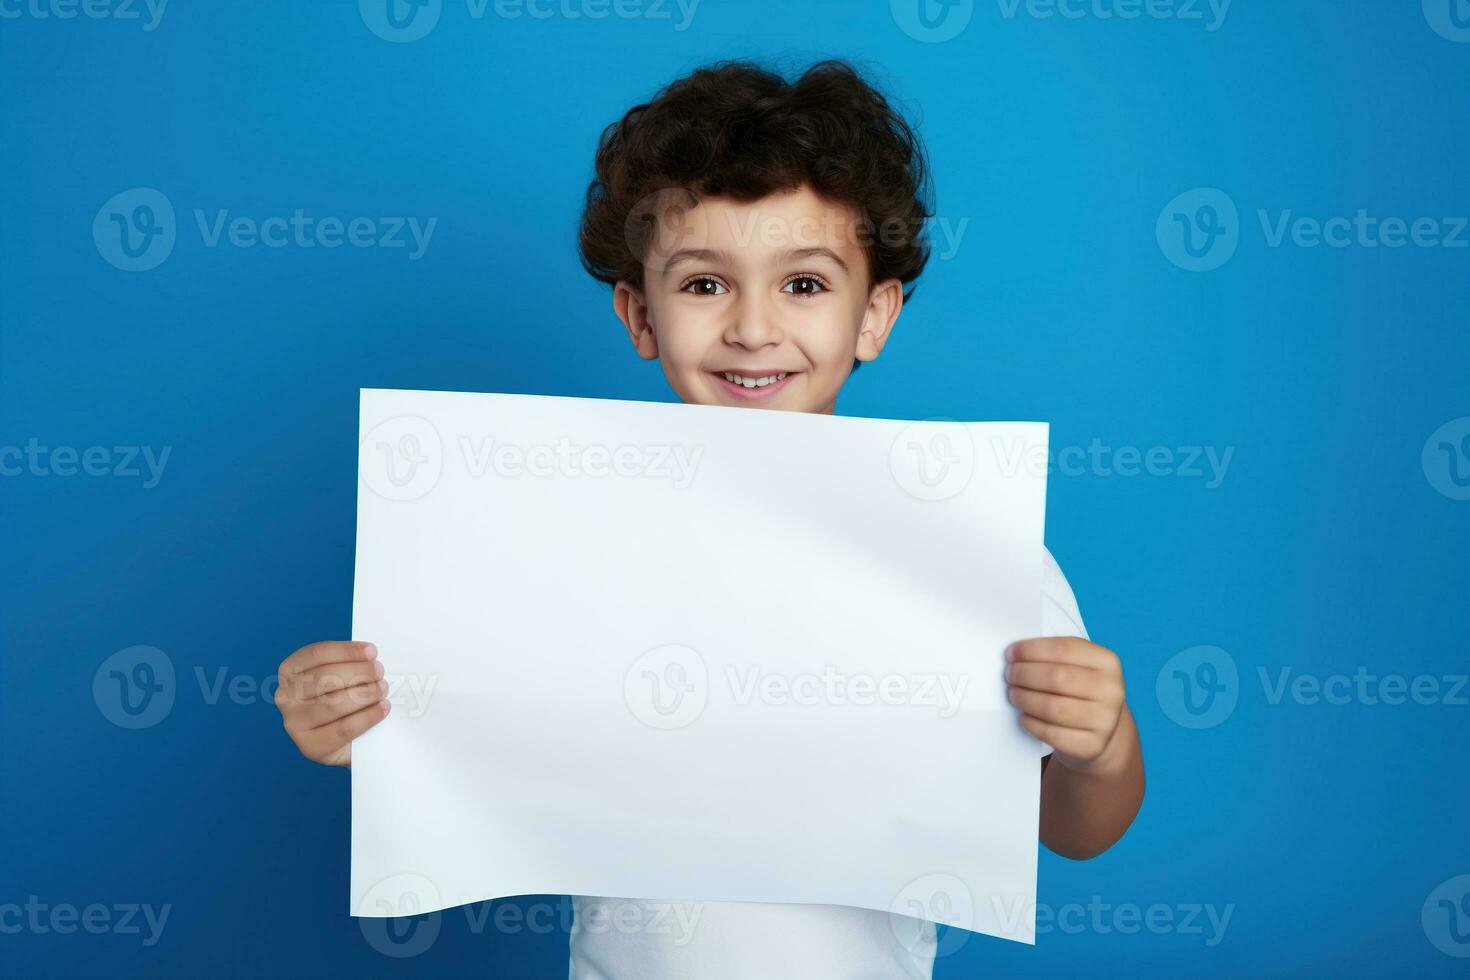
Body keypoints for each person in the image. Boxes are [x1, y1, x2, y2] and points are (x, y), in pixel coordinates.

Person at [275, 58, 1144, 979]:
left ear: (874, 315)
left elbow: (1073, 832)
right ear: (639, 314)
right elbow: (471, 728)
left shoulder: (967, 548)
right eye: (703, 285)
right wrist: (358, 721)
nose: (754, 328)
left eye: (804, 284)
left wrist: (1103, 748)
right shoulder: (562, 539)